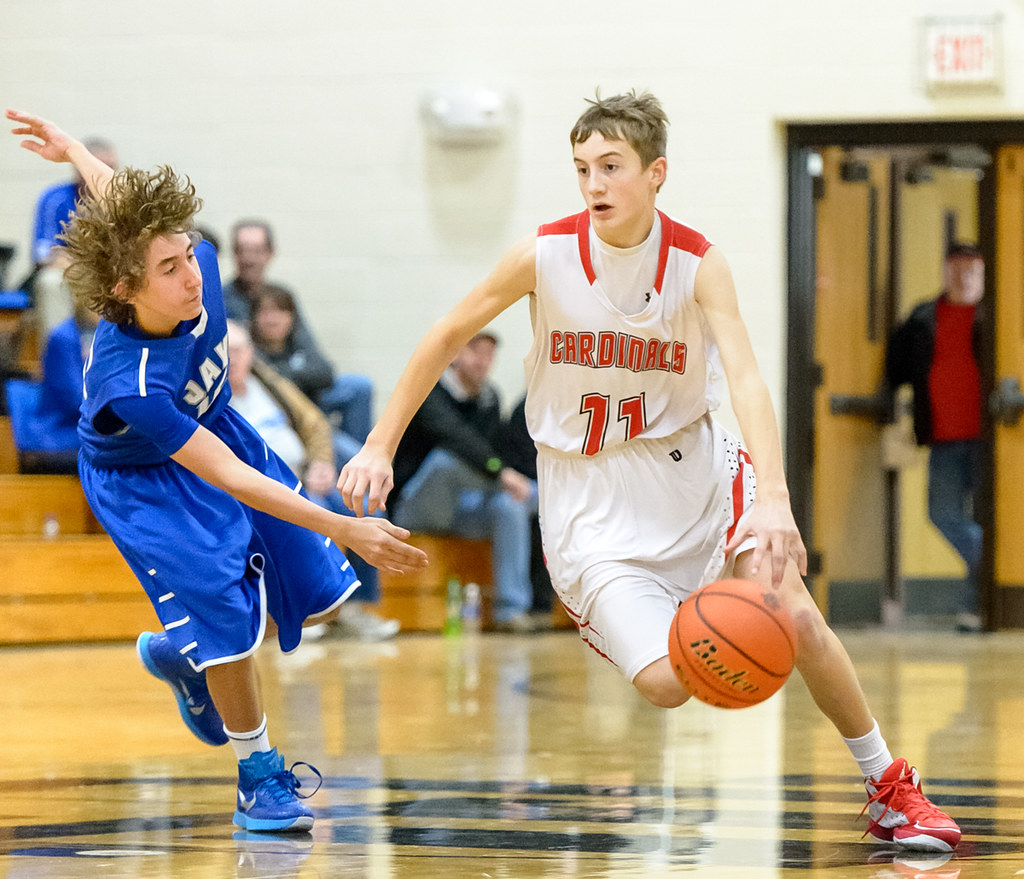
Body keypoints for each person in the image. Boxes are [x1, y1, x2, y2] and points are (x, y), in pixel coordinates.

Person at [338, 90, 961, 852]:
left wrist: (774, 498)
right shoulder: (545, 255)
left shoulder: (698, 265)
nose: (593, 184)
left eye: (610, 167)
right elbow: (444, 335)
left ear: (655, 172)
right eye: (581, 169)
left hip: (697, 474)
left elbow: (747, 379)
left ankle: (891, 786)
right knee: (667, 683)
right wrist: (376, 443)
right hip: (591, 507)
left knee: (793, 610)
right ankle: (719, 612)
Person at [7, 108, 426, 833]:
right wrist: (347, 524)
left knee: (319, 592)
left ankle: (181, 650)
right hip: (145, 485)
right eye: (168, 268)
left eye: (187, 252)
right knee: (231, 622)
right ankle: (257, 780)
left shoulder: (182, 259)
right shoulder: (129, 381)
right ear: (123, 290)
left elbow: (119, 199)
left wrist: (74, 149)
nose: (192, 273)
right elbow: (229, 476)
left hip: (216, 429)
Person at [225, 319, 400, 641]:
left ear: (251, 353)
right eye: (224, 352)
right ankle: (307, 611)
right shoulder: (215, 402)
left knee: (365, 506)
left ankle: (355, 609)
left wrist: (320, 462)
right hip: (269, 489)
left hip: (307, 474)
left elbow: (314, 421)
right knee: (314, 517)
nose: (232, 358)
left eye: (238, 350)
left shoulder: (268, 383)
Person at [389, 331, 539, 633]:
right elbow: (457, 438)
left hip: (462, 508)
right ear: (455, 355)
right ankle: (539, 496)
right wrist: (501, 473)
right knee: (448, 462)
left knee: (509, 507)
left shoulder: (489, 397)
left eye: (489, 354)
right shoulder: (428, 391)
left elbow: (492, 451)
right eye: (475, 351)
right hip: (416, 505)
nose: (483, 361)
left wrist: (500, 475)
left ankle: (511, 610)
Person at [885, 242, 985, 634]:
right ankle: (990, 570)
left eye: (971, 268)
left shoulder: (996, 316)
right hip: (942, 438)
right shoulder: (924, 317)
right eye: (955, 268)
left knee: (987, 519)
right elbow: (897, 367)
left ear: (983, 273)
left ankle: (974, 607)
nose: (962, 275)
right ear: (944, 271)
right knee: (942, 514)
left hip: (990, 441)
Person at [224, 219, 374, 442]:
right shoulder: (223, 301)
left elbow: (321, 367)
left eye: (256, 250)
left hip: (304, 389)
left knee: (359, 387)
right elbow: (256, 371)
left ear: (270, 253)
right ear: (234, 254)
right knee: (334, 442)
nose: (249, 258)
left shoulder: (282, 295)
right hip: (267, 397)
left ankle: (361, 458)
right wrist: (293, 370)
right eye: (242, 250)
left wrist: (292, 373)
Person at [500, 393, 557, 628]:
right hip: (529, 485)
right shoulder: (525, 408)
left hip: (561, 486)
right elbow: (516, 461)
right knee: (539, 506)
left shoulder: (576, 401)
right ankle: (526, 606)